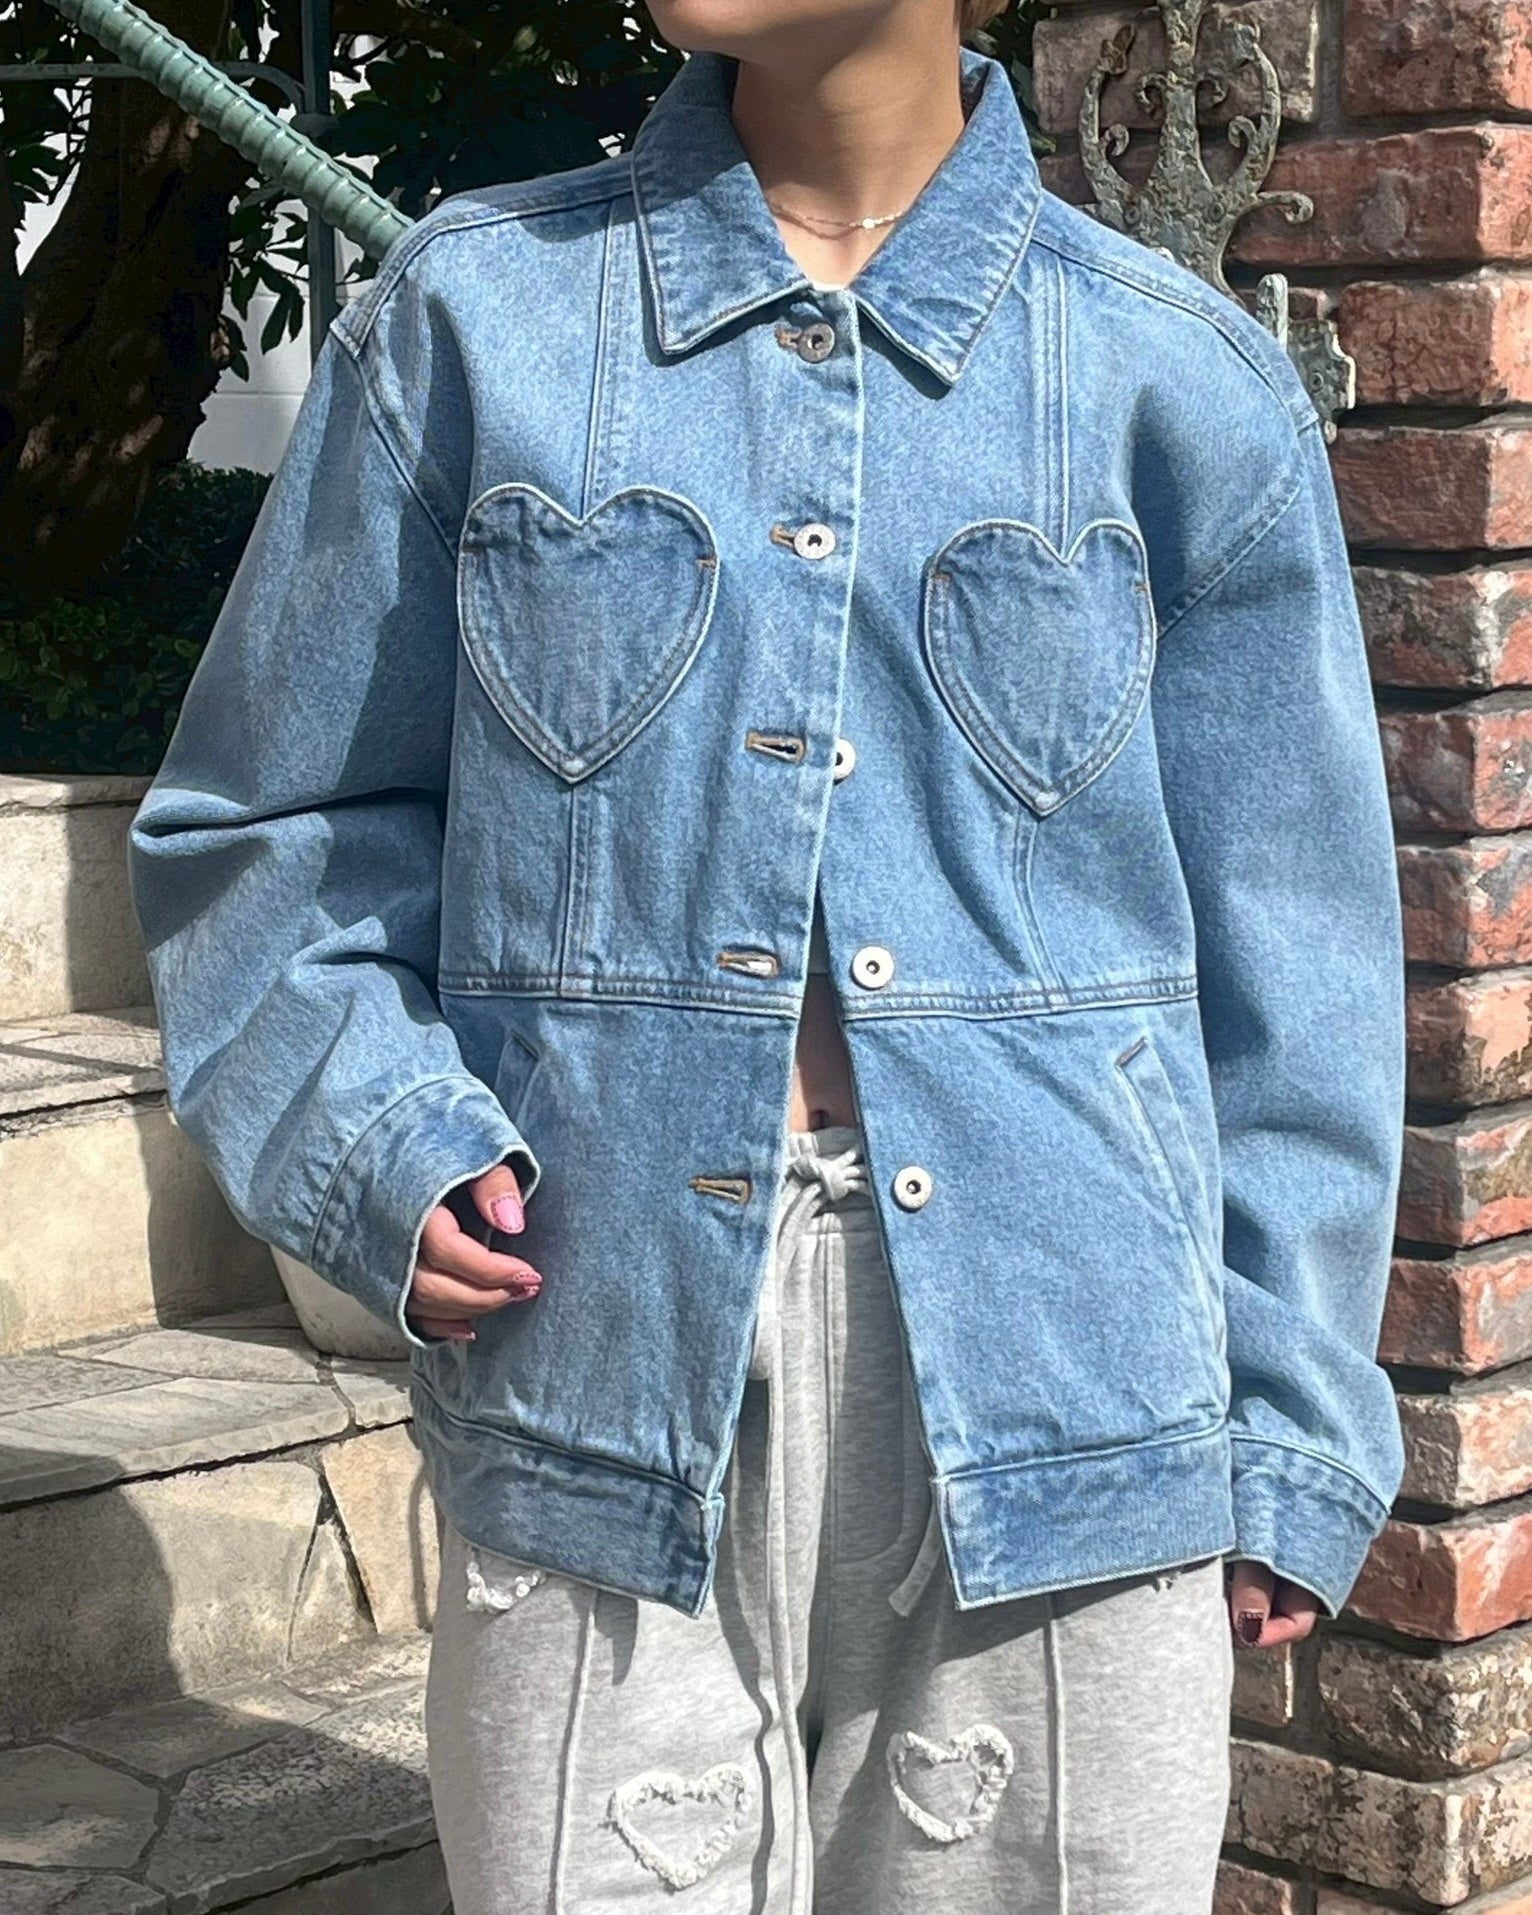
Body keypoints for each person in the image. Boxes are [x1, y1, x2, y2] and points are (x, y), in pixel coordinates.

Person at [125, 0, 1408, 1907]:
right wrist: (379, 1135)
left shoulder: (1175, 377)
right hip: (597, 1357)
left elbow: (1298, 974)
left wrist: (1292, 1415)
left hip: (1077, 1382)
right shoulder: (482, 319)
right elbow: (272, 828)